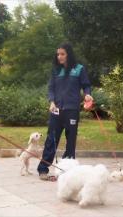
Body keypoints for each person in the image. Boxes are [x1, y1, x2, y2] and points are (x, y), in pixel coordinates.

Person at [37, 42, 93, 181]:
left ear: (69, 54)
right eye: (58, 54)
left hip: (72, 110)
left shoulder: (79, 69)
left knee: (71, 141)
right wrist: (51, 101)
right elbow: (51, 88)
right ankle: (43, 169)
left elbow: (86, 85)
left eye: (62, 54)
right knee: (51, 140)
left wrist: (87, 94)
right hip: (56, 110)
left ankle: (67, 170)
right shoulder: (56, 70)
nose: (59, 56)